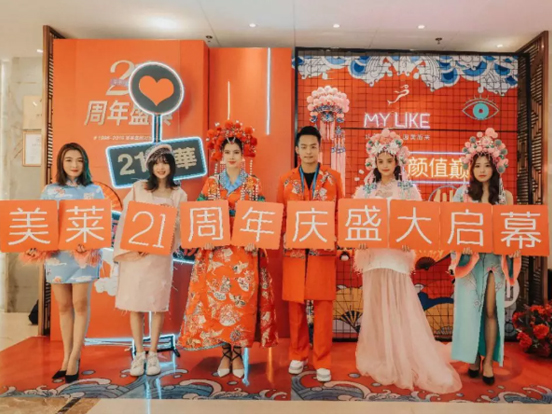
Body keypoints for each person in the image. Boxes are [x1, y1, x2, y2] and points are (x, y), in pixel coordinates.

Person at [354, 129, 462, 394]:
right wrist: (361, 240)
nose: (385, 165)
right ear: (374, 163)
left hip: (396, 255)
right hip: (374, 255)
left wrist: (409, 240)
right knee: (376, 305)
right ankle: (381, 354)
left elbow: (417, 221)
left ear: (397, 161)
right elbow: (357, 220)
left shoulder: (408, 190)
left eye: (389, 160)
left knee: (399, 305)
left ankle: (401, 355)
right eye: (380, 161)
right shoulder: (365, 190)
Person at [179, 120, 278, 380]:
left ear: (243, 155)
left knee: (241, 304)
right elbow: (201, 214)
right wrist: (205, 237)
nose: (231, 157)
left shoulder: (253, 184)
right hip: (217, 252)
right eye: (227, 152)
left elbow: (261, 217)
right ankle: (226, 353)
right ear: (220, 155)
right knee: (219, 302)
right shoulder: (211, 184)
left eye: (236, 152)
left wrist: (255, 238)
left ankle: (239, 353)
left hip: (245, 252)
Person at [22, 143, 104, 383]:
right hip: (57, 256)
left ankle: (75, 357)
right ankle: (66, 356)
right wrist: (34, 245)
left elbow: (101, 226)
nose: (74, 165)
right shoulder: (50, 190)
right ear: (61, 163)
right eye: (69, 160)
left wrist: (88, 244)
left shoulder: (95, 190)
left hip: (83, 256)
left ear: (85, 163)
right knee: (64, 306)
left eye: (79, 160)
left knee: (80, 304)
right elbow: (41, 223)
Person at [449, 128, 521, 385]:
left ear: (495, 167)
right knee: (470, 310)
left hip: (493, 262)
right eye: (477, 165)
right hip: (470, 261)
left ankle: (488, 360)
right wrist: (462, 249)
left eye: (486, 165)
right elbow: (453, 228)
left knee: (490, 309)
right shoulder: (462, 195)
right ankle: (472, 358)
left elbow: (512, 230)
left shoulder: (505, 197)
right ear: (471, 168)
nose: (481, 170)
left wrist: (514, 248)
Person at [113, 144, 187, 376]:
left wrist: (169, 227)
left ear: (171, 165)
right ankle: (138, 353)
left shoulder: (179, 194)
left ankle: (153, 352)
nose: (161, 167)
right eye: (156, 163)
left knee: (157, 304)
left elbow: (182, 226)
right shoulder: (139, 188)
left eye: (165, 162)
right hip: (137, 256)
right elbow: (127, 219)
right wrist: (135, 245)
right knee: (135, 305)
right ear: (150, 166)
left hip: (160, 258)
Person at [277, 125, 344, 383]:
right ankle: (298, 353)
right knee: (295, 305)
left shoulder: (333, 178)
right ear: (297, 149)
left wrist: (338, 239)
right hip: (294, 252)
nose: (308, 152)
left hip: (323, 251)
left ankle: (322, 359)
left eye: (313, 147)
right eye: (303, 147)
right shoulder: (286, 180)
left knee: (323, 306)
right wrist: (283, 233)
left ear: (319, 148)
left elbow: (340, 213)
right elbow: (281, 214)